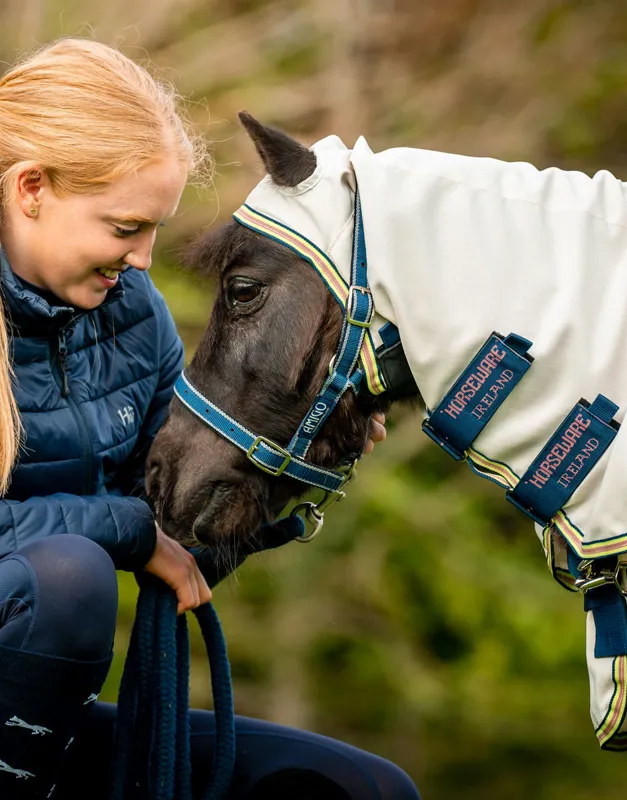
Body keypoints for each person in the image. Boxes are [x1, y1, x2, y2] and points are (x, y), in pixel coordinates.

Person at [0, 37, 415, 800]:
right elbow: (129, 536)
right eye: (125, 228)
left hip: (33, 726)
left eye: (155, 228)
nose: (145, 259)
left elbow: (178, 517)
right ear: (32, 188)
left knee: (358, 788)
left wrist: (298, 439)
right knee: (70, 580)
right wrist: (124, 534)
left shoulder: (132, 315)